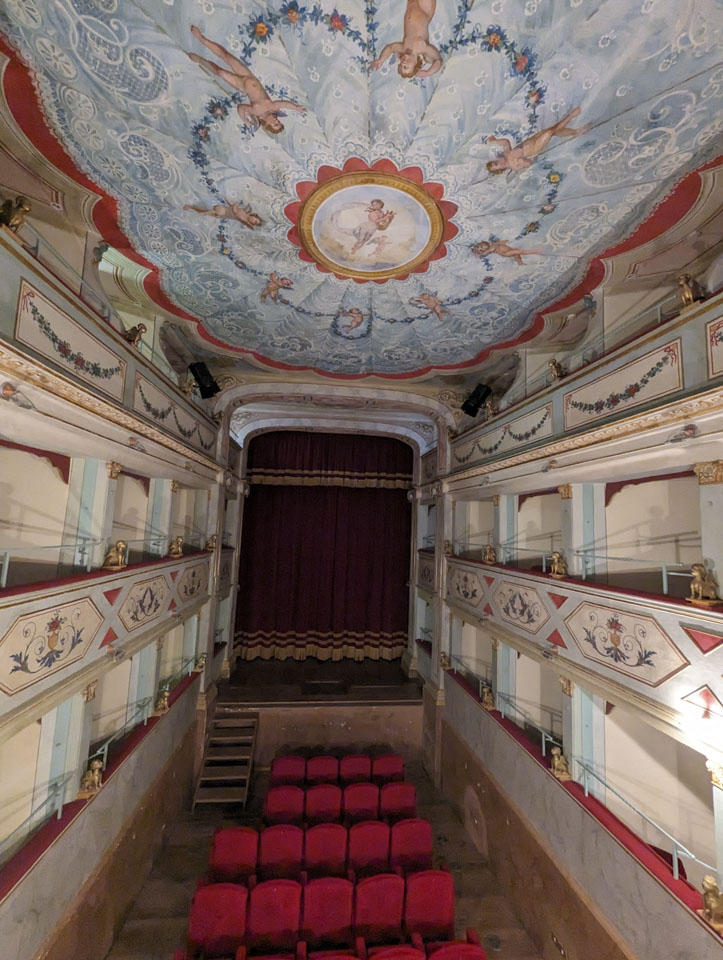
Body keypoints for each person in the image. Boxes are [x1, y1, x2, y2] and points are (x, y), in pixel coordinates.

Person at [187, 26, 306, 134]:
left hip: (242, 85)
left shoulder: (256, 112)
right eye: (279, 122)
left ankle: (201, 61)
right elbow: (284, 104)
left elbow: (241, 108)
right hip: (248, 76)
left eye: (275, 124)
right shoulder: (272, 107)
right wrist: (295, 107)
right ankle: (202, 39)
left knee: (220, 72)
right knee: (226, 56)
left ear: (267, 125)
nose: (276, 120)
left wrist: (245, 120)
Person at [487, 107, 590, 173]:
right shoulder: (514, 165)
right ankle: (571, 116)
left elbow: (505, 143)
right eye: (497, 164)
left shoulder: (506, 155)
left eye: (495, 161)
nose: (499, 161)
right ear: (500, 169)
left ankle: (575, 132)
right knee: (550, 132)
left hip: (531, 140)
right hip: (534, 147)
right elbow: (529, 164)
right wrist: (521, 161)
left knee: (552, 130)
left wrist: (494, 141)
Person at [369, 0, 442, 79]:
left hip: (412, 4)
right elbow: (438, 60)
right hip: (424, 8)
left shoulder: (403, 48)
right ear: (415, 65)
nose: (403, 63)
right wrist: (427, 73)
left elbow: (389, 48)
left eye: (400, 65)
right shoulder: (422, 48)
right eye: (406, 67)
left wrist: (381, 60)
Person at [184, 201, 263, 229]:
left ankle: (191, 207)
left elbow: (235, 212)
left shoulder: (244, 219)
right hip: (223, 210)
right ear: (254, 216)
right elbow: (231, 205)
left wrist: (235, 205)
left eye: (254, 222)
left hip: (223, 214)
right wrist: (226, 199)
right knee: (205, 212)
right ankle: (191, 208)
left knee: (204, 212)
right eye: (255, 220)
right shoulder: (245, 212)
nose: (253, 221)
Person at [471, 240, 543, 265]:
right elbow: (483, 254)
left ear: (482, 243)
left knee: (517, 254)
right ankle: (536, 251)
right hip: (505, 253)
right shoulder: (489, 250)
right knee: (521, 251)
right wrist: (478, 254)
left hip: (509, 249)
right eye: (481, 249)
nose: (482, 248)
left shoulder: (493, 243)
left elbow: (503, 241)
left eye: (481, 246)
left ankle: (520, 263)